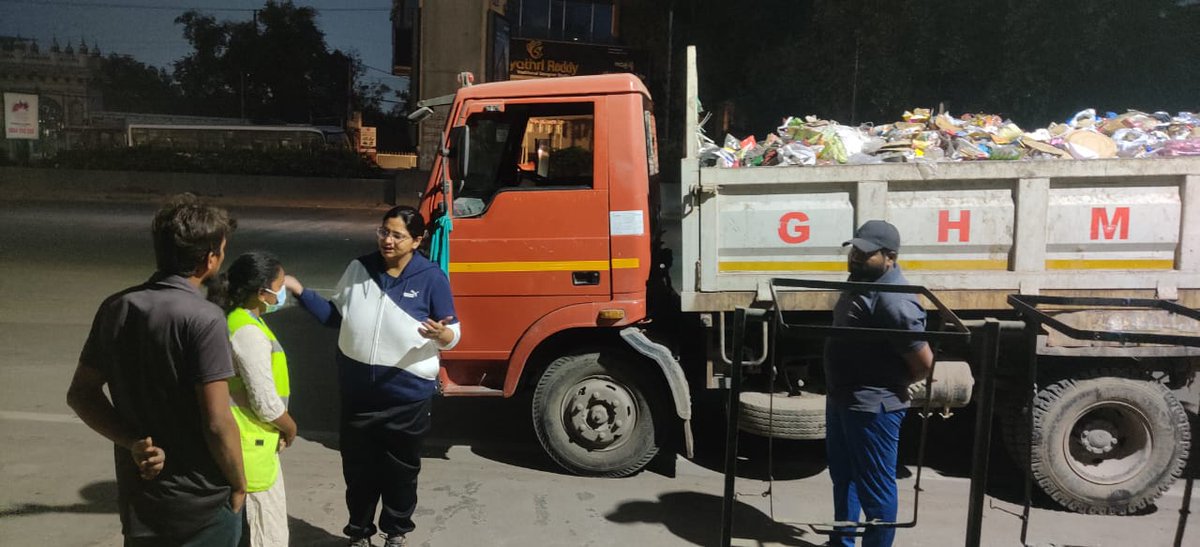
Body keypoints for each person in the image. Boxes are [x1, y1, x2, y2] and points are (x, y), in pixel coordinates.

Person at [67, 193, 246, 546]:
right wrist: (240, 482)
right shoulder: (204, 319)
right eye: (222, 250)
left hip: (143, 502)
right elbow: (217, 421)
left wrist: (133, 442)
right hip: (202, 504)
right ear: (209, 259)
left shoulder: (117, 307)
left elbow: (81, 394)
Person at [285, 205, 460, 547]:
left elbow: (454, 332)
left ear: (417, 240)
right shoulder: (358, 268)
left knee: (401, 472)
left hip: (407, 396)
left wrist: (443, 336)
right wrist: (299, 291)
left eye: (398, 235)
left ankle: (396, 533)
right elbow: (334, 317)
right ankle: (359, 533)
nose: (388, 241)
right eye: (384, 232)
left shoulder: (432, 277)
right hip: (359, 395)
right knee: (358, 471)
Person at [823, 220, 934, 547]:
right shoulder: (862, 279)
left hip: (872, 408)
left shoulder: (894, 301)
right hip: (843, 398)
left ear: (890, 257)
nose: (855, 257)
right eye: (854, 249)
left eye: (865, 253)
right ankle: (842, 541)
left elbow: (924, 364)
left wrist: (887, 385)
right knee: (844, 477)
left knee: (875, 488)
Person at [205, 252, 297, 547]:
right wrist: (290, 427)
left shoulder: (239, 320)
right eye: (279, 286)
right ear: (262, 293)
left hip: (253, 437)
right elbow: (264, 401)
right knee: (264, 535)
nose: (283, 292)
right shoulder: (247, 332)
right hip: (251, 441)